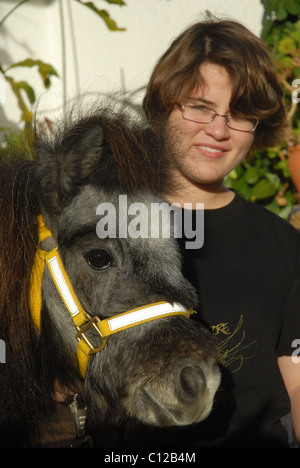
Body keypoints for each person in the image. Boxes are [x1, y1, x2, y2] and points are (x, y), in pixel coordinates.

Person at [143, 14, 300, 448]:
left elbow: (298, 381)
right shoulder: (106, 228)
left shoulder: (284, 244)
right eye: (200, 107)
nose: (218, 130)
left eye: (239, 114)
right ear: (164, 105)